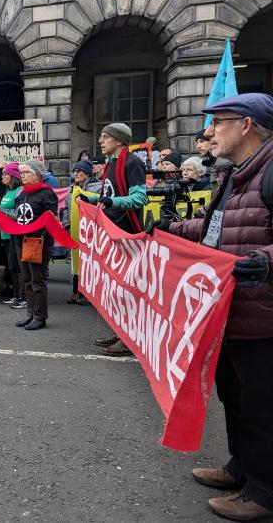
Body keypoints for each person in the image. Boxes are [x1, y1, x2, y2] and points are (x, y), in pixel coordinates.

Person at [158, 93, 273, 523]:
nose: (209, 131)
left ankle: (264, 493)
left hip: (263, 319)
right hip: (230, 314)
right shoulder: (234, 175)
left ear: (246, 125)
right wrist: (168, 229)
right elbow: (213, 231)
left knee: (263, 409)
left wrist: (264, 262)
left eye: (218, 122)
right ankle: (241, 468)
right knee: (236, 399)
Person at [78, 122, 148, 356]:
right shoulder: (111, 164)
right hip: (112, 233)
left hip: (126, 234)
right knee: (116, 289)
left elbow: (139, 198)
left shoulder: (132, 162)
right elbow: (108, 195)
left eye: (105, 137)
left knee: (127, 289)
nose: (100, 141)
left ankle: (130, 339)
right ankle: (121, 332)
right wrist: (89, 199)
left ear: (118, 141)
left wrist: (112, 203)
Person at [7, 160, 58, 331]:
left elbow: (52, 219)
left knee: (38, 280)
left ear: (37, 175)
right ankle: (30, 314)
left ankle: (40, 316)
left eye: (27, 172)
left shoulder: (47, 194)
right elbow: (19, 217)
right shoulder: (22, 195)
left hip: (39, 242)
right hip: (22, 240)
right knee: (27, 279)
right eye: (21, 173)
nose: (23, 176)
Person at [63, 159, 101, 305]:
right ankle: (76, 290)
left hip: (90, 231)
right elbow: (66, 209)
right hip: (75, 231)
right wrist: (67, 225)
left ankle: (88, 293)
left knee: (90, 261)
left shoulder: (98, 187)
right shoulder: (71, 189)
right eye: (75, 171)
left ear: (87, 172)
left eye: (79, 171)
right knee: (76, 262)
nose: (75, 174)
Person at [0, 163, 24, 308]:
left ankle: (23, 297)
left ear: (13, 176)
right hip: (6, 234)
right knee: (12, 266)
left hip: (15, 233)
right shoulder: (9, 190)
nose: (2, 176)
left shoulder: (20, 191)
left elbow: (18, 215)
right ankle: (15, 295)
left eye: (5, 174)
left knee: (18, 267)